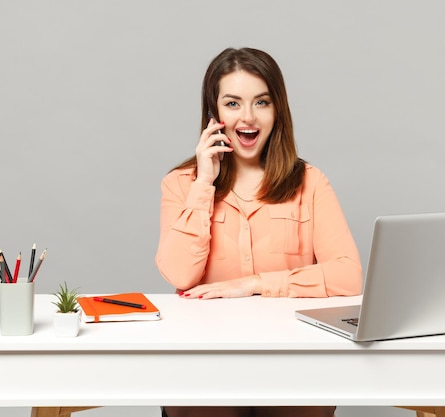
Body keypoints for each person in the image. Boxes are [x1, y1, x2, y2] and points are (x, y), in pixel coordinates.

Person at [155, 47, 363, 417]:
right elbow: (179, 274)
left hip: (294, 356)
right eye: (233, 104)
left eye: (261, 102)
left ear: (277, 109)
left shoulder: (310, 183)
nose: (247, 117)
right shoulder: (181, 183)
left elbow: (348, 274)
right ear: (213, 114)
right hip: (205, 356)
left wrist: (254, 283)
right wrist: (205, 182)